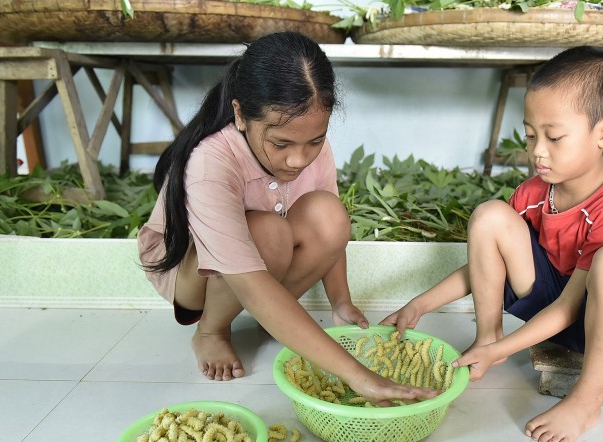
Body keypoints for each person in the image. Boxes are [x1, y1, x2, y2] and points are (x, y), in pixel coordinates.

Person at [138, 31, 438, 404]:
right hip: (188, 271)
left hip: (259, 250)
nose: (299, 159)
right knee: (270, 234)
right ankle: (211, 332)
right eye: (280, 144)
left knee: (328, 213)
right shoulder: (210, 161)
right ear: (240, 115)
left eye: (314, 141)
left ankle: (277, 319)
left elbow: (330, 234)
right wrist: (361, 377)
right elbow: (248, 277)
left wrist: (340, 302)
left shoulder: (312, 143)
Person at [382, 46, 603, 442]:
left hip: (602, 322)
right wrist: (420, 305)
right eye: (530, 135)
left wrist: (504, 352)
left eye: (554, 137)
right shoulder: (534, 192)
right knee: (491, 215)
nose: (537, 150)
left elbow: (569, 307)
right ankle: (486, 335)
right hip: (550, 302)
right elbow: (482, 265)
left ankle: (586, 400)